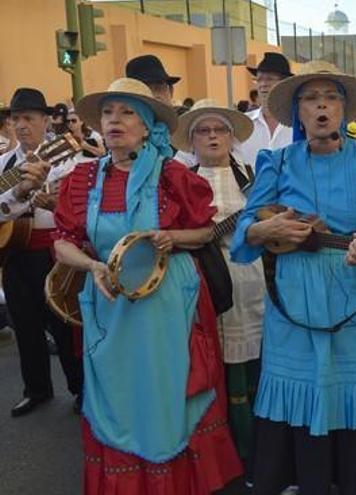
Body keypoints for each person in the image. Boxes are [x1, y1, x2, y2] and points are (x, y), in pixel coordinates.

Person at [230, 60, 356, 495]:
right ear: (298, 111)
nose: (321, 107)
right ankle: (301, 478)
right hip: (294, 292)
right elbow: (242, 237)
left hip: (351, 290)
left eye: (330, 98)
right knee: (300, 383)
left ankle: (354, 478)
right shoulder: (274, 161)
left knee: (350, 385)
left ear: (345, 109)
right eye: (311, 99)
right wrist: (265, 229)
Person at [52, 78, 242, 493]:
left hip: (168, 299)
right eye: (108, 112)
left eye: (127, 112)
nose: (115, 120)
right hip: (108, 302)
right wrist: (92, 266)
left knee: (166, 390)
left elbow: (205, 234)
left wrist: (173, 238)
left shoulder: (173, 175)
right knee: (118, 394)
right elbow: (62, 242)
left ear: (147, 125)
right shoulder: (81, 179)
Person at [171, 99, 265, 474]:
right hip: (204, 285)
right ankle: (225, 453)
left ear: (231, 137)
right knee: (214, 367)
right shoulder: (181, 179)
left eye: (220, 130)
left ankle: (261, 449)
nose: (213, 136)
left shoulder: (251, 175)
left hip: (252, 280)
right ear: (191, 142)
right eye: (203, 131)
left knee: (255, 364)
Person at [0, 87, 83, 417]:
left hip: (54, 251)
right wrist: (22, 194)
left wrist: (53, 200)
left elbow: (76, 204)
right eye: (15, 119)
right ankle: (36, 390)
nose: (21, 125)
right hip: (15, 254)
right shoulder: (4, 163)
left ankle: (79, 388)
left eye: (29, 118)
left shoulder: (65, 157)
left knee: (65, 324)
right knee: (25, 325)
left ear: (46, 121)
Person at [237, 52, 294, 167]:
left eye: (269, 79)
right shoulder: (243, 124)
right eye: (258, 79)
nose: (263, 84)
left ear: (285, 83)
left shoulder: (300, 124)